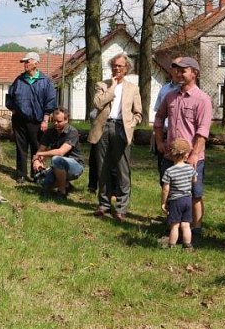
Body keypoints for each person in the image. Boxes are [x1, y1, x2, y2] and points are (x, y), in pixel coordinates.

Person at [153, 57, 213, 241]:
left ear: (194, 73)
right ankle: (173, 227)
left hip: (192, 158)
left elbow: (203, 131)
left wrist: (194, 155)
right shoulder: (170, 96)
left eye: (183, 70)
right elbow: (158, 118)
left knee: (195, 194)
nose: (178, 73)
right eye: (176, 70)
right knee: (170, 190)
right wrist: (159, 142)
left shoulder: (203, 99)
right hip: (170, 156)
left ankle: (196, 229)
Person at [89, 53, 143, 221]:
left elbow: (138, 112)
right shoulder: (102, 85)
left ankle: (121, 207)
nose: (116, 68)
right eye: (114, 65)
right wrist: (112, 87)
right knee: (102, 168)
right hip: (103, 128)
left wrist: (132, 123)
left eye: (120, 66)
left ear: (127, 68)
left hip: (122, 128)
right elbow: (97, 103)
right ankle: (104, 204)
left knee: (122, 170)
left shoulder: (133, 88)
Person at [6, 52, 57, 184]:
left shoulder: (45, 82)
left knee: (37, 148)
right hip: (19, 121)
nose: (25, 64)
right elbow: (10, 97)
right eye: (24, 62)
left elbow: (50, 102)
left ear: (35, 63)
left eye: (27, 62)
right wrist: (13, 108)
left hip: (37, 121)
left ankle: (36, 174)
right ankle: (21, 174)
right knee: (21, 148)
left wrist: (45, 120)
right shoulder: (19, 80)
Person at [32, 107, 85, 197]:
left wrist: (39, 154)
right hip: (57, 166)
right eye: (54, 121)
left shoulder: (72, 132)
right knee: (40, 180)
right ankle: (66, 184)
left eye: (59, 121)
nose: (56, 123)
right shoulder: (49, 132)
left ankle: (62, 192)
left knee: (57, 159)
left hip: (75, 165)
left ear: (66, 120)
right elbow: (41, 149)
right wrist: (37, 161)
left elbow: (61, 152)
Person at [160, 138, 197, 251]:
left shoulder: (169, 171)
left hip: (176, 201)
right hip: (187, 199)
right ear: (186, 154)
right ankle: (187, 245)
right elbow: (194, 180)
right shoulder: (190, 168)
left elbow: (166, 189)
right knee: (186, 225)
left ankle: (171, 245)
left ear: (171, 154)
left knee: (175, 225)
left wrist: (163, 202)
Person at [152, 59, 182, 180]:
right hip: (164, 136)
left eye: (180, 67)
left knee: (180, 174)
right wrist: (155, 136)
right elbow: (158, 115)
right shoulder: (164, 89)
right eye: (174, 66)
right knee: (164, 174)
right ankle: (167, 198)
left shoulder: (189, 90)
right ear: (170, 70)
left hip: (181, 137)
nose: (177, 69)